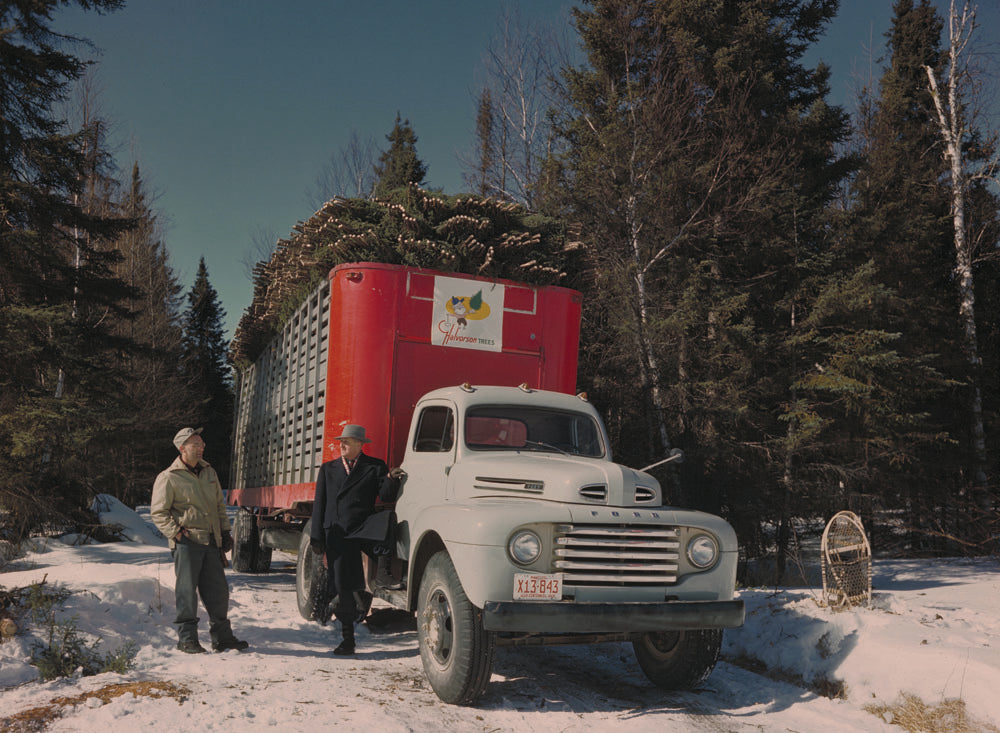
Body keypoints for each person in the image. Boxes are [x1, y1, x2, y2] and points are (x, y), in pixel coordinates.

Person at [151, 427, 249, 654]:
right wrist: (176, 533)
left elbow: (218, 506)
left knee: (218, 591)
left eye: (202, 444)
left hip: (211, 541)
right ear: (182, 448)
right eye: (196, 444)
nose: (202, 448)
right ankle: (187, 639)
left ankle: (223, 639)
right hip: (187, 543)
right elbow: (159, 512)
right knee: (186, 592)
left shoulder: (209, 473)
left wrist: (225, 532)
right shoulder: (168, 477)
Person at [310, 424, 402, 656]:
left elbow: (387, 496)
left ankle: (383, 572)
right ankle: (347, 639)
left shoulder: (374, 466)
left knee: (388, 519)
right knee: (344, 586)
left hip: (362, 527)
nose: (342, 445)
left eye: (348, 441)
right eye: (341, 441)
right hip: (337, 532)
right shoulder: (328, 469)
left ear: (361, 445)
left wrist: (391, 478)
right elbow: (320, 504)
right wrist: (316, 536)